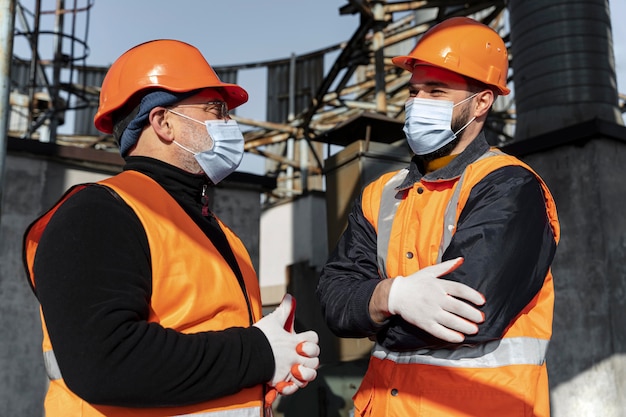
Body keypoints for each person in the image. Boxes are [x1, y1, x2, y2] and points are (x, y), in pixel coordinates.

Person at [23, 39, 320, 417]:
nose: (230, 125)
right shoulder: (98, 213)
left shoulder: (216, 231)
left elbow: (206, 353)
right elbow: (106, 361)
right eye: (217, 111)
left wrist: (273, 369)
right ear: (163, 122)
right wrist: (260, 353)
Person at [316, 16, 560, 417]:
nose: (417, 104)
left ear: (482, 101)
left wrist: (366, 311)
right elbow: (332, 300)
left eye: (436, 91)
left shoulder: (510, 187)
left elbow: (469, 315)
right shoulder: (380, 194)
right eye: (414, 92)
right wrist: (389, 296)